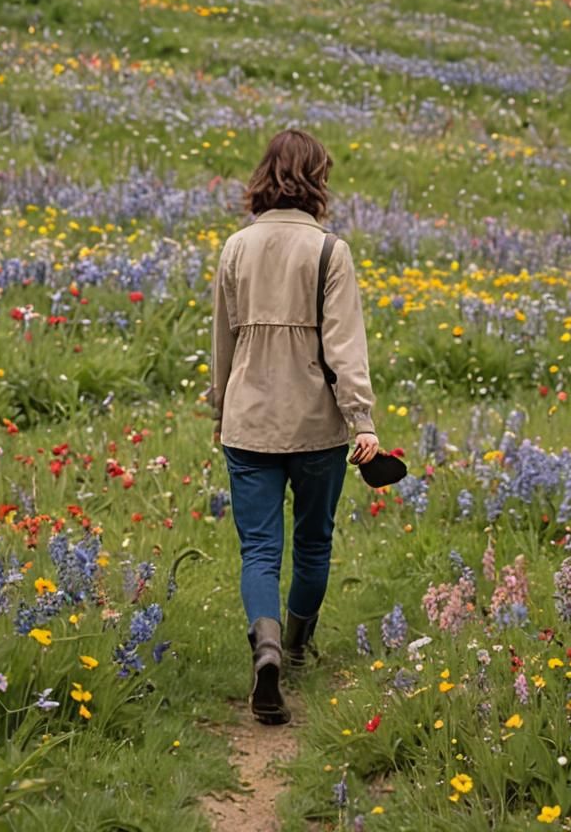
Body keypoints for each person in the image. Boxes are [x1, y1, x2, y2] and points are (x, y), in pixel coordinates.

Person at [210, 128, 379, 725]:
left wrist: (218, 408)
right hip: (317, 425)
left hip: (248, 420)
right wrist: (362, 418)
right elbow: (345, 346)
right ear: (317, 180)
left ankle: (267, 648)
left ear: (265, 177)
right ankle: (299, 647)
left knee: (259, 548)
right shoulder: (331, 251)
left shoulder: (235, 248)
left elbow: (222, 343)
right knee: (312, 541)